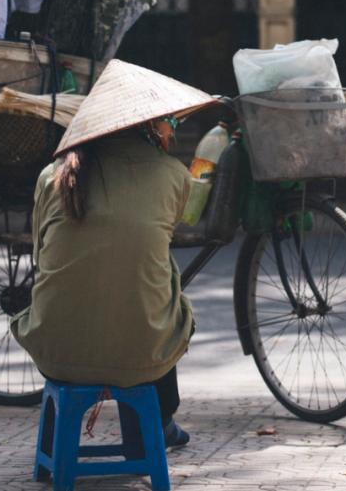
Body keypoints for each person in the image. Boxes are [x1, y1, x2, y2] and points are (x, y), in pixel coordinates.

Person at [11, 59, 217, 450]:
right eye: (166, 122)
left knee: (116, 284)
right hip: (142, 351)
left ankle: (59, 444)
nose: (169, 130)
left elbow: (41, 256)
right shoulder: (172, 175)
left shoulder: (51, 176)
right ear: (148, 127)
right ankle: (155, 424)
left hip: (57, 350)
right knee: (159, 290)